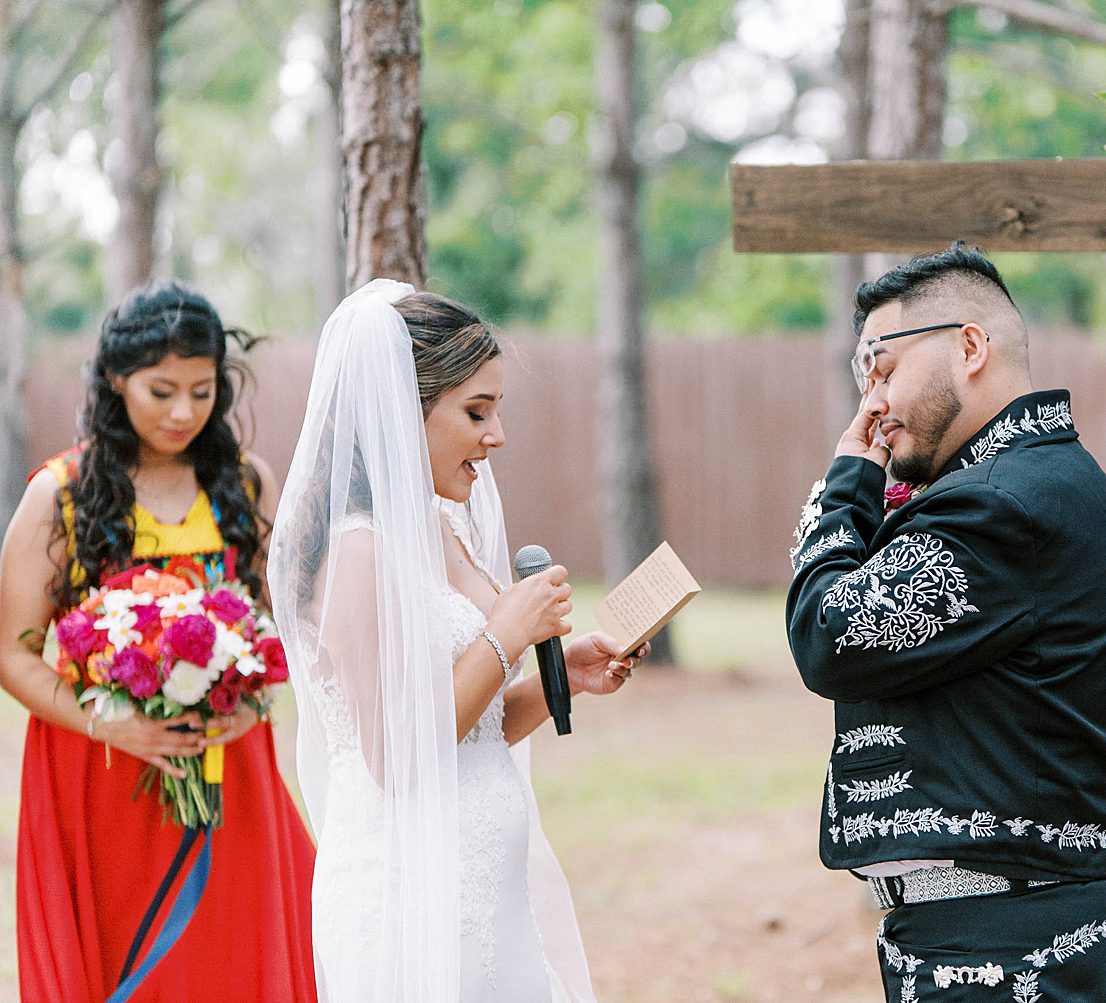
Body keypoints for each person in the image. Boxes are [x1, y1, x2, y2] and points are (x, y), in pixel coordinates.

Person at [785, 244, 1106, 1002]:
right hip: (1026, 916)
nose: (873, 405)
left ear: (968, 345)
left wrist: (848, 483)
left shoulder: (998, 507)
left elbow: (830, 634)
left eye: (884, 369)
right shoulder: (1061, 484)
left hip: (1000, 937)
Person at [269, 279, 645, 1002]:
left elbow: (470, 727)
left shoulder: (442, 527)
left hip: (482, 888)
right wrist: (507, 631)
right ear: (404, 413)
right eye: (477, 412)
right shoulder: (358, 553)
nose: (496, 436)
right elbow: (395, 753)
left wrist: (561, 669)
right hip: (409, 892)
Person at [0, 280, 316, 1001]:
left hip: (228, 766)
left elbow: (286, 629)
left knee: (230, 958)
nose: (183, 411)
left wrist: (251, 705)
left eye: (202, 391)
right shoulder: (61, 493)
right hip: (102, 767)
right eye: (161, 390)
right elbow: (12, 650)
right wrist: (113, 721)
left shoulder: (245, 484)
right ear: (117, 381)